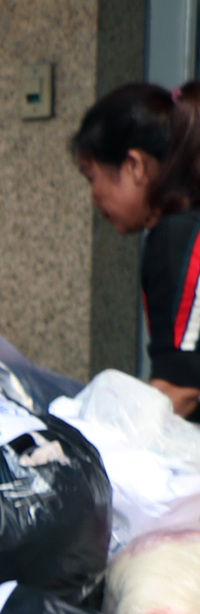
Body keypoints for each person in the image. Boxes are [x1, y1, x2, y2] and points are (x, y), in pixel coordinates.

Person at [75, 81, 200, 418]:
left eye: (92, 177)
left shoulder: (178, 236)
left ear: (135, 166)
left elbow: (180, 388)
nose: (94, 195)